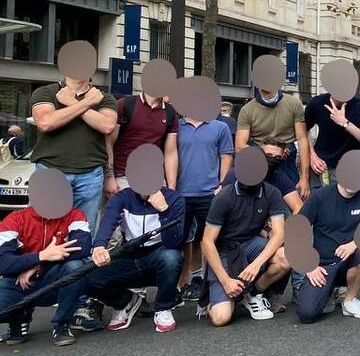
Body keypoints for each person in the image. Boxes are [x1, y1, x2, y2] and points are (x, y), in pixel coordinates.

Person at [81, 176, 185, 333]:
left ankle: (163, 308)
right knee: (87, 276)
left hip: (159, 256)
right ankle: (124, 302)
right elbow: (108, 221)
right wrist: (99, 246)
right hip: (129, 256)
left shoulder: (175, 199)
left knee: (172, 257)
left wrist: (164, 210)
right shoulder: (122, 198)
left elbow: (174, 243)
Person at [0, 172, 92, 346]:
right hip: (20, 283)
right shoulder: (14, 220)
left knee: (76, 266)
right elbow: (2, 262)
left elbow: (83, 248)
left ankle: (62, 324)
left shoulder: (74, 215)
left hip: (53, 280)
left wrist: (39, 264)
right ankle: (19, 319)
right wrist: (40, 256)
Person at [200, 156, 291, 326]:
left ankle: (252, 294)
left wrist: (256, 264)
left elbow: (279, 234)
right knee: (221, 318)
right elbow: (207, 242)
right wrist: (226, 281)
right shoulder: (224, 197)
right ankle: (213, 301)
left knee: (286, 256)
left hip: (251, 244)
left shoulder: (272, 193)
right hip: (224, 251)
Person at [30, 61, 118, 232]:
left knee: (83, 231)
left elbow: (107, 125)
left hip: (90, 175)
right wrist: (85, 103)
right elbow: (46, 122)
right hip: (50, 171)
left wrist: (70, 102)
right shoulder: (46, 92)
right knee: (41, 231)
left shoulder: (104, 97)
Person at [294, 178, 360, 322]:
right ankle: (328, 292)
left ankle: (350, 300)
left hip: (349, 262)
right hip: (323, 266)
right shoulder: (320, 196)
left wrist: (354, 243)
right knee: (306, 314)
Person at [175, 110, 234, 302]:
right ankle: (182, 282)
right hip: (180, 192)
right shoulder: (176, 125)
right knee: (180, 240)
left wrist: (222, 185)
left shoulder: (220, 127)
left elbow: (226, 157)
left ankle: (205, 281)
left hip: (210, 193)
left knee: (207, 239)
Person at [236, 82, 310, 214]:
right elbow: (240, 146)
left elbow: (303, 140)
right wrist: (267, 152)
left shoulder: (293, 104)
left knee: (294, 208)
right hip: (258, 161)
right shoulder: (247, 110)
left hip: (287, 162)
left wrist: (304, 178)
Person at [106, 90, 179, 195]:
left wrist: (171, 189)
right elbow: (108, 143)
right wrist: (109, 178)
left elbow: (170, 153)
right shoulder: (125, 105)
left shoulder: (170, 112)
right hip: (123, 178)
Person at [304, 88, 360, 188]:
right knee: (319, 201)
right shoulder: (317, 103)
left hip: (349, 168)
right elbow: (303, 130)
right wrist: (312, 155)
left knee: (345, 202)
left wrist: (345, 123)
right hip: (320, 166)